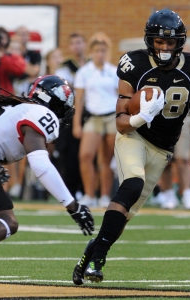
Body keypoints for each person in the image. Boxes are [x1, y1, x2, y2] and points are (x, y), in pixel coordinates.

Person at [71, 9, 190, 285]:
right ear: (149, 40)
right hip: (134, 136)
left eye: (170, 42)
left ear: (180, 42)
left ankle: (90, 254)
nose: (165, 47)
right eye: (159, 41)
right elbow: (120, 122)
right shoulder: (134, 64)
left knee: (123, 217)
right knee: (132, 184)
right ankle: (98, 261)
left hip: (164, 148)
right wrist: (144, 115)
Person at [0, 75, 94, 249]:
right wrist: (72, 205)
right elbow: (40, 165)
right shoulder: (41, 113)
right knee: (6, 220)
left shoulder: (15, 108)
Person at [73, 32, 118, 208]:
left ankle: (105, 195)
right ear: (91, 52)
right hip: (93, 116)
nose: (100, 54)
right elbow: (79, 100)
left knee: (106, 159)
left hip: (111, 116)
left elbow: (120, 97)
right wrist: (76, 123)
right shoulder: (84, 72)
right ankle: (89, 194)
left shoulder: (114, 71)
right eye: (97, 50)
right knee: (85, 155)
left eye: (103, 50)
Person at [54, 32, 88, 200]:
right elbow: (66, 88)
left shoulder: (92, 64)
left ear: (85, 44)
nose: (77, 46)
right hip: (70, 113)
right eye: (73, 43)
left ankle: (88, 190)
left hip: (90, 112)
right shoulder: (65, 66)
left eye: (79, 42)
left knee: (89, 155)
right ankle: (71, 190)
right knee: (71, 154)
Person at [0, 26, 26, 95]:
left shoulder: (11, 56)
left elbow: (19, 70)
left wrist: (0, 56)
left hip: (5, 100)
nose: (1, 41)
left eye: (3, 38)